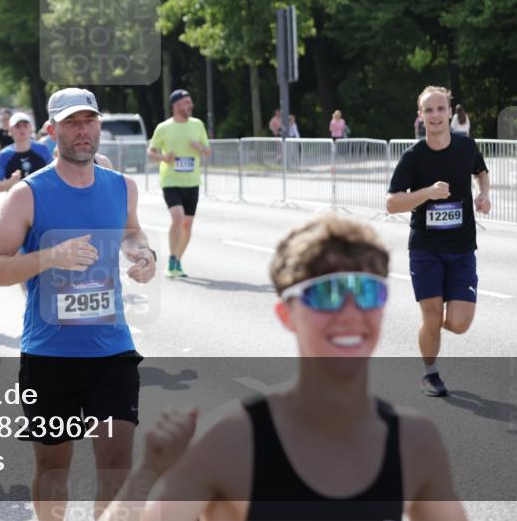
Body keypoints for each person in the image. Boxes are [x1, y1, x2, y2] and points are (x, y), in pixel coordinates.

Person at [99, 214, 467, 521]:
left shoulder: (414, 441)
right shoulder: (231, 439)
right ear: (286, 314)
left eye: (367, 292)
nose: (351, 312)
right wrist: (147, 471)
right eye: (327, 294)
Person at [0, 87, 156, 521]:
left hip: (112, 350)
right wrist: (50, 257)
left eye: (89, 121)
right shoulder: (28, 194)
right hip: (50, 355)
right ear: (52, 129)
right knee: (53, 469)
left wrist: (143, 254)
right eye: (72, 123)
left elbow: (133, 231)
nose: (82, 131)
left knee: (117, 468)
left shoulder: (121, 187)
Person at [387, 86, 490, 397]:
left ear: (450, 112)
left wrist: (484, 194)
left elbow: (481, 172)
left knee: (458, 323)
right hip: (425, 249)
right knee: (431, 315)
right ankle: (430, 374)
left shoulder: (466, 146)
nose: (435, 115)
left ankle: (429, 331)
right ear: (421, 116)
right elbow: (392, 204)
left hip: (461, 249)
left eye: (440, 109)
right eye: (428, 110)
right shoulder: (413, 157)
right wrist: (427, 194)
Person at [147, 89, 211, 279]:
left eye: (190, 102)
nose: (190, 106)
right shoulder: (164, 127)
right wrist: (163, 157)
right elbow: (151, 151)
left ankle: (176, 261)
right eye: (186, 103)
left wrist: (200, 149)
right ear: (175, 106)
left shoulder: (197, 125)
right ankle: (172, 258)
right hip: (171, 180)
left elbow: (208, 152)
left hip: (192, 182)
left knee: (187, 224)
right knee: (178, 218)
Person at [0, 112, 53, 193]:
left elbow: (54, 174)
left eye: (25, 125)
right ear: (10, 130)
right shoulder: (5, 154)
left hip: (42, 199)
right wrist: (11, 181)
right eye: (18, 126)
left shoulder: (42, 149)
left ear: (30, 128)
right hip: (17, 201)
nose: (22, 129)